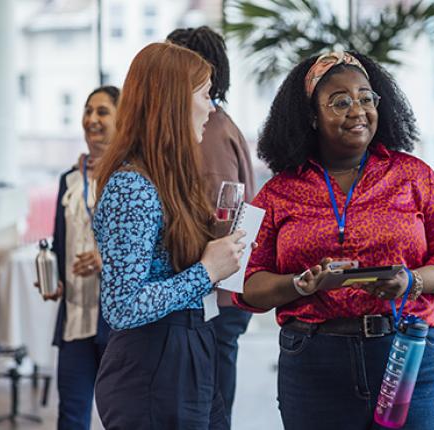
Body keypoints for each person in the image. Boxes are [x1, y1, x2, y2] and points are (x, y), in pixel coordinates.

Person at [233, 51, 434, 430]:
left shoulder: (415, 177)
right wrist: (300, 284)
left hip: (407, 354)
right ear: (311, 117)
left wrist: (411, 281)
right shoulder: (277, 193)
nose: (358, 110)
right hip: (315, 361)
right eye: (340, 102)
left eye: (367, 98)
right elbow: (244, 283)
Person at [92, 42, 245, 429]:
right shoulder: (133, 186)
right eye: (205, 95)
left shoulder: (168, 180)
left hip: (184, 349)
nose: (212, 108)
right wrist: (206, 271)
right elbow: (122, 307)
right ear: (173, 102)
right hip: (151, 363)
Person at [165, 25, 256, 425]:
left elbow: (220, 219)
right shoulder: (213, 126)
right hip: (213, 290)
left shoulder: (208, 132)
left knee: (207, 410)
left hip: (212, 294)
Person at [42, 85, 119, 430]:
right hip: (74, 315)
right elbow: (62, 242)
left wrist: (107, 260)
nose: (92, 119)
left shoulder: (131, 178)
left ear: (123, 120)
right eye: (88, 111)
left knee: (120, 415)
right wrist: (53, 276)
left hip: (115, 321)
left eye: (102, 112)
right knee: (70, 416)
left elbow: (149, 248)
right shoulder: (69, 179)